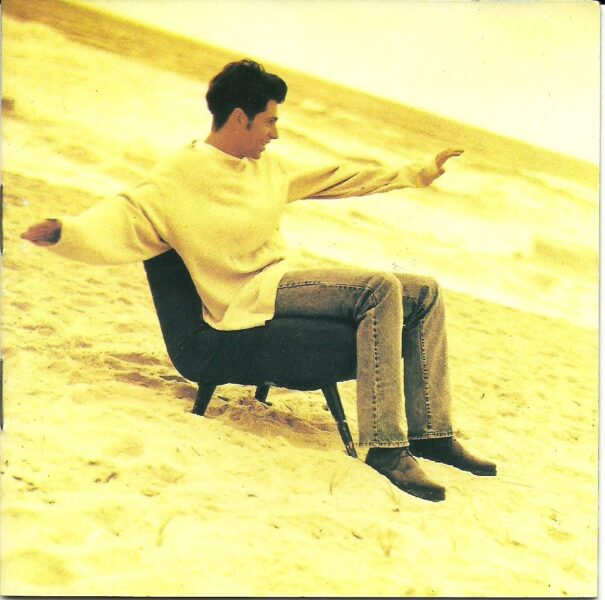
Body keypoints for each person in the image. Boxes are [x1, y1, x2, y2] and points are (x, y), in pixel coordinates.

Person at [21, 59, 496, 502]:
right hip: (242, 299)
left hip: (282, 283)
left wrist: (417, 172)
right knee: (379, 288)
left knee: (425, 292)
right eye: (269, 121)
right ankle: (387, 448)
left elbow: (340, 176)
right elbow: (123, 214)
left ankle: (431, 434)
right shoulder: (178, 177)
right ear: (238, 118)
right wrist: (66, 232)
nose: (275, 132)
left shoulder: (267, 169)